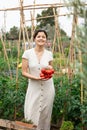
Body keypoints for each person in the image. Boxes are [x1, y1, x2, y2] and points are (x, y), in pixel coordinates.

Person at [22, 29, 55, 130]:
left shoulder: (49, 54)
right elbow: (23, 72)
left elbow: (51, 69)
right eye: (39, 36)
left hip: (48, 87)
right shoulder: (27, 53)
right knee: (31, 111)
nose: (41, 38)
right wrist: (35, 77)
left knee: (45, 114)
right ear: (35, 39)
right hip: (34, 87)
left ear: (46, 40)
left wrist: (50, 70)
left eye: (43, 37)